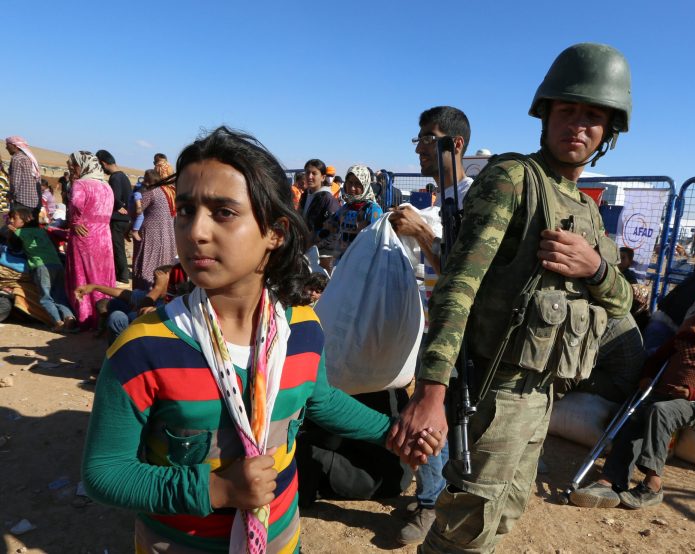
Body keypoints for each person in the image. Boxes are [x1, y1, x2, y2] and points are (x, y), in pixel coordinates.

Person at [81, 126, 439, 553]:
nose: (195, 231)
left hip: (281, 539)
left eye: (223, 212)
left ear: (276, 232)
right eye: (187, 210)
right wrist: (214, 489)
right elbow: (105, 472)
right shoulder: (143, 348)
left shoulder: (302, 328)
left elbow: (319, 399)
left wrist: (392, 432)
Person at [388, 43, 634, 553]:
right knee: (467, 528)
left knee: (502, 516)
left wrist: (594, 267)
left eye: (593, 116)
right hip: (493, 390)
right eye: (566, 111)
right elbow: (458, 284)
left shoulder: (587, 211)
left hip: (542, 395)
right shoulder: (513, 180)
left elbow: (621, 304)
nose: (578, 126)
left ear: (609, 131)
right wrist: (430, 392)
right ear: (545, 116)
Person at [388, 105, 473, 546]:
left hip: (461, 332)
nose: (419, 147)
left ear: (454, 144)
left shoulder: (473, 199)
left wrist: (421, 232)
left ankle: (431, 504)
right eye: (418, 139)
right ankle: (433, 496)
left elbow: (463, 272)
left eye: (427, 138)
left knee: (438, 416)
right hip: (438, 324)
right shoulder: (446, 199)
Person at [571, 294, 695, 509]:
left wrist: (692, 393)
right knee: (634, 417)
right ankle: (610, 481)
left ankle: (653, 485)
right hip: (659, 395)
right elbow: (656, 360)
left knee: (659, 410)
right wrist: (647, 377)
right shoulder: (685, 338)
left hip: (691, 405)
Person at [65, 151, 116, 330]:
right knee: (102, 275)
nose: (72, 168)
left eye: (74, 165)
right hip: (104, 236)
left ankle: (86, 316)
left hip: (85, 236)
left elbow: (76, 203)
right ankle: (104, 314)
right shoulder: (106, 186)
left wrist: (75, 221)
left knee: (83, 274)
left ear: (82, 165)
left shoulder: (80, 184)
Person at [6, 206, 76, 331]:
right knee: (60, 296)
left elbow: (14, 248)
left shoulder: (19, 233)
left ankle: (57, 322)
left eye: (14, 218)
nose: (11, 221)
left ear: (25, 220)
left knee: (46, 297)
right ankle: (69, 317)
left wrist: (11, 233)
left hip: (41, 267)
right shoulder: (42, 231)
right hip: (57, 264)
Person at [131, 169, 177, 291]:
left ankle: (143, 295)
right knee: (164, 268)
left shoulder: (152, 192)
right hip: (168, 237)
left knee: (145, 266)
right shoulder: (170, 192)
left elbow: (137, 211)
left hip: (151, 236)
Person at [327, 164, 384, 261]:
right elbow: (330, 227)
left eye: (357, 183)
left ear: (365, 184)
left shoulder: (372, 210)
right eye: (350, 182)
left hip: (362, 264)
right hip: (342, 262)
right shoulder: (345, 208)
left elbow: (376, 243)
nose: (352, 188)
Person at [96, 150, 133, 283]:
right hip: (125, 219)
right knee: (119, 247)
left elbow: (114, 197)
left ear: (103, 163)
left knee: (117, 248)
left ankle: (122, 276)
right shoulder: (123, 176)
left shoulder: (115, 177)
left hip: (117, 219)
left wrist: (118, 205)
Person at [298, 158, 340, 255]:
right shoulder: (305, 195)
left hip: (321, 253)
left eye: (314, 173)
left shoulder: (328, 199)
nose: (309, 176)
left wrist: (315, 245)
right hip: (305, 248)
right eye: (307, 173)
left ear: (323, 177)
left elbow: (333, 231)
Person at [5, 136, 42, 220]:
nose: (6, 148)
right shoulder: (29, 158)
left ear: (15, 146)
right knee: (31, 226)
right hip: (35, 202)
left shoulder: (16, 158)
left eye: (7, 145)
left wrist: (10, 195)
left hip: (21, 201)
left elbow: (15, 183)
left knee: (19, 226)